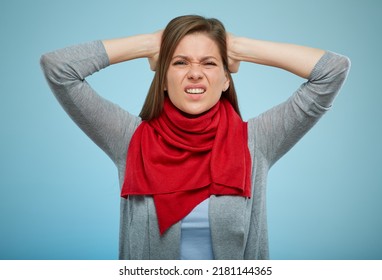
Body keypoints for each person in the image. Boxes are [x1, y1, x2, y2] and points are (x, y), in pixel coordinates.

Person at [40, 15, 350, 260]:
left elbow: (332, 71)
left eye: (209, 63)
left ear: (226, 78)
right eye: (180, 62)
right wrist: (150, 43)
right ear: (163, 79)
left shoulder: (256, 140)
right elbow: (58, 68)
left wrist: (238, 47)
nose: (195, 73)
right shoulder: (128, 138)